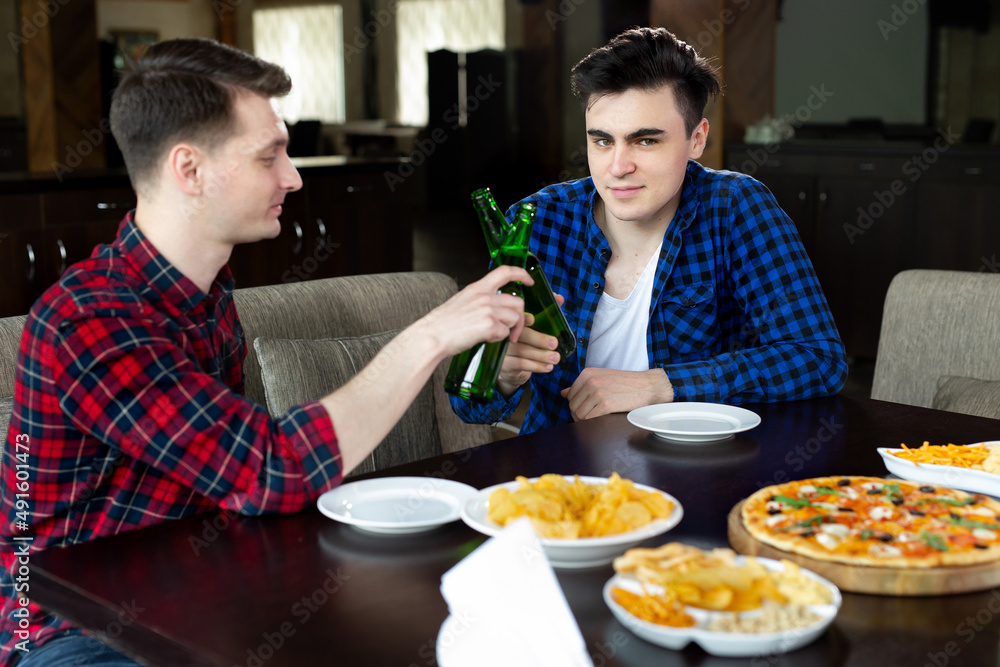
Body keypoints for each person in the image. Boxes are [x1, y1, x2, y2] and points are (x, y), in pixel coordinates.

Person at [0, 38, 530, 666]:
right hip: (73, 627)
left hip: (201, 587)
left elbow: (231, 469)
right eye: (269, 155)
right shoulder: (89, 320)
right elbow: (272, 469)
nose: (294, 177)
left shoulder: (208, 290)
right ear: (188, 170)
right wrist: (431, 333)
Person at [451, 27, 847, 434]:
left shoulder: (735, 208)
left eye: (644, 142)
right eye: (602, 141)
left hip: (697, 467)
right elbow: (470, 409)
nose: (618, 167)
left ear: (697, 139)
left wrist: (661, 385)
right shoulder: (538, 222)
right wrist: (502, 375)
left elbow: (818, 360)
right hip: (563, 473)